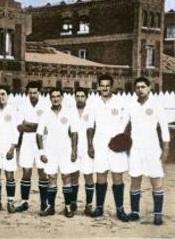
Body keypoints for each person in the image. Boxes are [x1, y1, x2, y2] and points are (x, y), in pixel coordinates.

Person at [127, 77, 170, 225]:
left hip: (152, 148)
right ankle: (134, 212)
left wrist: (165, 149)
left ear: (149, 88)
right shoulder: (131, 105)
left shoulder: (157, 105)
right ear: (135, 89)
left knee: (156, 180)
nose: (140, 90)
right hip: (135, 148)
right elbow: (123, 125)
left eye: (143, 87)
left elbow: (164, 128)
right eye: (137, 87)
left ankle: (158, 214)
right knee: (135, 180)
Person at [89, 74, 129, 222]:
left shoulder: (120, 101)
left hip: (116, 141)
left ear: (111, 86)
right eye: (102, 85)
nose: (105, 88)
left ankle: (120, 210)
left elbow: (125, 119)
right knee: (101, 174)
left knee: (117, 174)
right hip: (99, 140)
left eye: (107, 85)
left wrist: (118, 135)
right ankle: (99, 208)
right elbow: (90, 125)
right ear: (98, 86)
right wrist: (90, 145)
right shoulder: (93, 102)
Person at [36, 88, 79, 217]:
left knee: (66, 177)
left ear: (62, 98)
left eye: (58, 96)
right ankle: (51, 207)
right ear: (50, 98)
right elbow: (39, 134)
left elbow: (74, 133)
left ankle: (68, 207)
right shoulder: (45, 114)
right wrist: (42, 152)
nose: (55, 98)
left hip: (65, 149)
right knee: (52, 178)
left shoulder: (69, 112)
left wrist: (74, 150)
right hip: (50, 150)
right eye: (53, 96)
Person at [16, 81, 49, 214]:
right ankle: (24, 202)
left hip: (42, 142)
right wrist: (37, 126)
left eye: (35, 92)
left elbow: (46, 127)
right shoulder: (23, 105)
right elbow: (19, 126)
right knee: (26, 172)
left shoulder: (46, 104)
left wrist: (28, 124)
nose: (32, 95)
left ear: (39, 92)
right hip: (27, 142)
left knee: (42, 172)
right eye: (30, 92)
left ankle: (44, 203)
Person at [0, 85, 18, 213]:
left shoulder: (13, 110)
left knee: (9, 175)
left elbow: (17, 131)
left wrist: (12, 147)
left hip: (8, 147)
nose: (1, 96)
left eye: (3, 94)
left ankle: (10, 202)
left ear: (8, 96)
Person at [70, 87, 95, 216]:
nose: (80, 98)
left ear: (86, 97)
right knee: (74, 175)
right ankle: (73, 203)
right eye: (77, 96)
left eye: (82, 96)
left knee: (88, 175)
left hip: (86, 147)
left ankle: (89, 205)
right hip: (74, 146)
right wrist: (73, 150)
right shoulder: (70, 111)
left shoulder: (90, 111)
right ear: (74, 97)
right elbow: (72, 131)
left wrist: (90, 147)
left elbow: (90, 129)